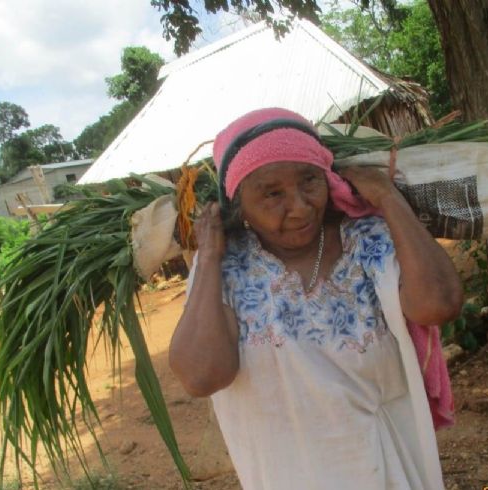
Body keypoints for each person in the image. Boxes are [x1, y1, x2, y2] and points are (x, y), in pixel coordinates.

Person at [169, 107, 463, 489]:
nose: (300, 206)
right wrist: (208, 256)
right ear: (239, 204)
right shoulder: (226, 269)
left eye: (309, 180)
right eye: (272, 193)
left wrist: (388, 198)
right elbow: (201, 377)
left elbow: (438, 304)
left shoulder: (365, 240)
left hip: (388, 468)